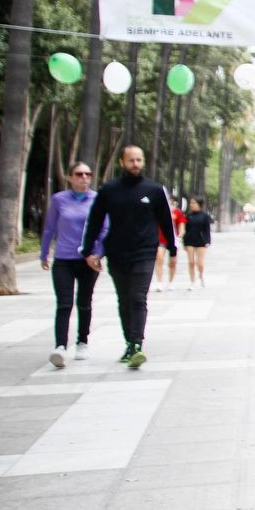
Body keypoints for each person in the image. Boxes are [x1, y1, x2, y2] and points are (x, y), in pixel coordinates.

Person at [82, 145, 175, 370]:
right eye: (131, 160)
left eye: (139, 160)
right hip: (117, 253)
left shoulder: (154, 190)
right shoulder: (109, 190)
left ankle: (136, 345)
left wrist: (172, 248)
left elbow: (165, 220)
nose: (136, 164)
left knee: (138, 297)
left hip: (144, 252)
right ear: (122, 162)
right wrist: (87, 250)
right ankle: (129, 343)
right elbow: (95, 220)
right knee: (124, 300)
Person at [40, 162, 107, 367]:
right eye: (79, 174)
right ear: (70, 177)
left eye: (88, 174)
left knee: (84, 302)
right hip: (64, 259)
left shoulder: (97, 199)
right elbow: (50, 228)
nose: (84, 177)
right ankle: (60, 346)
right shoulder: (59, 199)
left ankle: (82, 342)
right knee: (64, 303)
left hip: (88, 260)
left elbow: (105, 229)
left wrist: (98, 253)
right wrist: (44, 254)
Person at [183, 197, 212, 288]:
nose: (191, 205)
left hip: (201, 241)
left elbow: (207, 230)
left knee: (200, 263)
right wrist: (184, 242)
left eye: (194, 203)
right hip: (189, 240)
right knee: (191, 262)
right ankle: (192, 281)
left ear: (199, 204)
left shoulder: (204, 216)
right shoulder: (188, 215)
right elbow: (185, 229)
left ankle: (201, 275)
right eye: (191, 203)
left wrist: (207, 241)